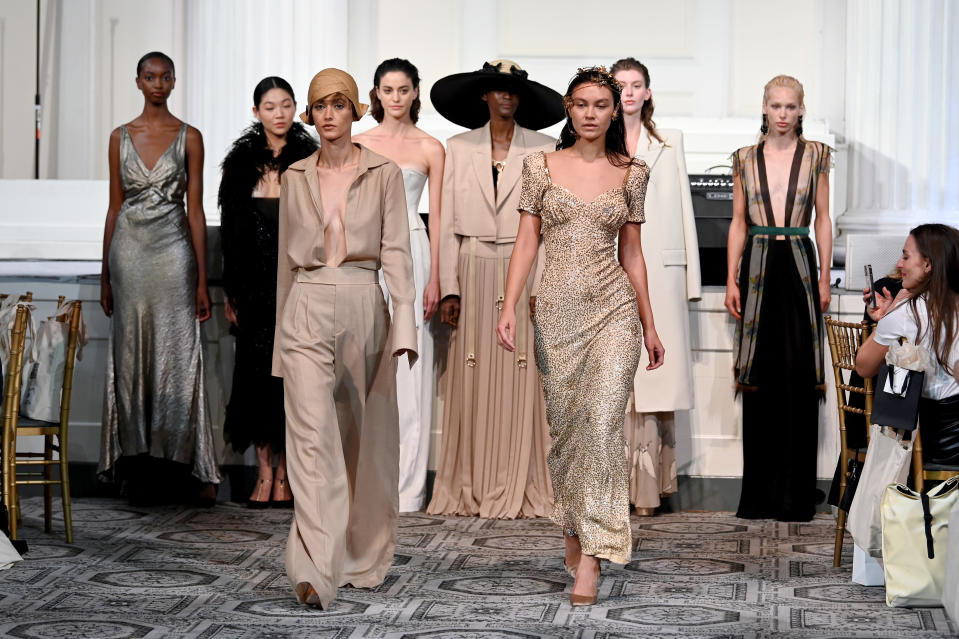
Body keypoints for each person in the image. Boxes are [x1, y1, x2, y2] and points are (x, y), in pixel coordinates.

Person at [497, 66, 663, 606]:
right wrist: (508, 305)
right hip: (557, 313)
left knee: (601, 423)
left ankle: (592, 556)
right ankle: (572, 525)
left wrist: (650, 322)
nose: (590, 113)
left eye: (601, 104)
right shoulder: (539, 166)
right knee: (568, 431)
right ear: (569, 109)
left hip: (614, 311)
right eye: (581, 104)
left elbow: (632, 254)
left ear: (617, 111)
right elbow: (527, 242)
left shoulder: (633, 172)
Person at [272, 68, 417, 609]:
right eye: (319, 105)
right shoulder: (295, 176)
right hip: (306, 304)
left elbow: (398, 251)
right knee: (310, 441)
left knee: (365, 440)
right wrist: (280, 348)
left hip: (364, 301)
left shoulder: (383, 172)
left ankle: (362, 555)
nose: (329, 114)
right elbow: (286, 265)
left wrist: (404, 324)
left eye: (339, 104)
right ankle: (314, 567)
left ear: (356, 110)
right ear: (309, 114)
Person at [427, 60, 563, 519]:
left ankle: (524, 481)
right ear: (483, 96)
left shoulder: (544, 148)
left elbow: (549, 225)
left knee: (523, 373)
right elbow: (444, 222)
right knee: (472, 373)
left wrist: (541, 284)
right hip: (474, 266)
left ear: (521, 98)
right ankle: (471, 483)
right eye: (496, 90)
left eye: (512, 91)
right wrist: (449, 287)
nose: (505, 97)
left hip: (524, 268)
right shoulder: (458, 147)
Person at [98, 51, 220, 504]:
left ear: (173, 82)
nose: (157, 84)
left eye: (164, 77)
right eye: (149, 76)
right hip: (128, 255)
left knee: (177, 354)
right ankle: (137, 466)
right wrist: (105, 274)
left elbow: (196, 210)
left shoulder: (190, 137)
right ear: (137, 81)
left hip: (173, 253)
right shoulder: (118, 137)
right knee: (131, 357)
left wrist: (202, 281)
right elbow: (114, 206)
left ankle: (183, 468)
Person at [724, 75, 832, 522]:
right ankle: (760, 496)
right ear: (764, 108)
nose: (783, 113)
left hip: (801, 264)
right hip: (758, 263)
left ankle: (796, 495)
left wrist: (825, 276)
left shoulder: (818, 156)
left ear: (801, 109)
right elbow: (737, 223)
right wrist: (731, 278)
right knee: (762, 374)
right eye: (776, 106)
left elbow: (823, 218)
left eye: (791, 106)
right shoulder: (744, 159)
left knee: (798, 372)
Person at [219, 76, 318, 508]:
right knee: (255, 378)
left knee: (293, 380)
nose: (279, 113)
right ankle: (263, 472)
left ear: (296, 108)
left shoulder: (311, 158)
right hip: (252, 287)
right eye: (269, 106)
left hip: (298, 283)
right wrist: (230, 292)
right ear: (256, 112)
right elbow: (230, 235)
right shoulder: (239, 164)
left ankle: (287, 474)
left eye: (286, 105)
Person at [611, 57, 701, 516]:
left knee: (652, 376)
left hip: (659, 269)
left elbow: (682, 208)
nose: (628, 92)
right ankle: (612, 488)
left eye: (636, 84)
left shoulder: (669, 142)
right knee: (613, 374)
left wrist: (691, 281)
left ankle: (648, 489)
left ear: (647, 92)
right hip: (609, 265)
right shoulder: (596, 144)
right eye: (620, 85)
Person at [354, 58, 444, 512]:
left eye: (403, 89)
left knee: (410, 370)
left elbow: (440, 218)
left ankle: (408, 491)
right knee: (367, 367)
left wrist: (439, 280)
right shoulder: (357, 144)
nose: (395, 98)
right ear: (376, 93)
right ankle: (367, 483)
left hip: (413, 251)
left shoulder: (431, 147)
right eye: (387, 90)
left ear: (414, 93)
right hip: (365, 256)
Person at [856, 224, 959, 468]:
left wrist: (890, 314)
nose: (900, 264)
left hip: (932, 441)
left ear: (927, 264)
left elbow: (863, 366)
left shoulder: (908, 311)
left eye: (905, 256)